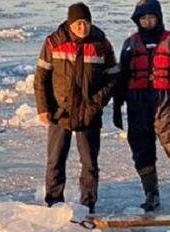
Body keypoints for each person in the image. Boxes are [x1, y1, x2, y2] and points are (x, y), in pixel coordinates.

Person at [113, 0, 170, 213]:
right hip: (137, 103)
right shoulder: (129, 44)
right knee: (141, 150)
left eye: (150, 17)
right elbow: (122, 77)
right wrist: (117, 106)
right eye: (142, 18)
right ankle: (151, 194)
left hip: (166, 102)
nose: (147, 21)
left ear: (158, 17)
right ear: (137, 20)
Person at [34, 3, 118, 212]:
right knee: (55, 161)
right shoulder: (54, 42)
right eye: (78, 23)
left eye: (86, 23)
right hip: (60, 113)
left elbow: (113, 78)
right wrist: (43, 108)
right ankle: (54, 203)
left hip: (89, 114)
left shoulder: (101, 43)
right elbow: (41, 79)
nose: (83, 27)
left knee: (89, 163)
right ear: (70, 24)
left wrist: (96, 104)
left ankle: (88, 206)